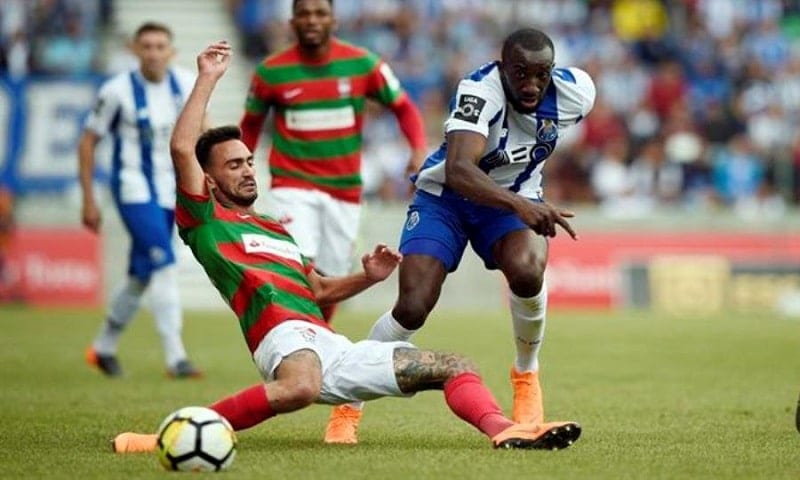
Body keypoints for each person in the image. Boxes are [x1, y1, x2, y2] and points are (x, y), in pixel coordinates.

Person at [111, 42, 581, 454]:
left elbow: (316, 289)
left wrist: (368, 277)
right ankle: (165, 436)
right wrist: (207, 79)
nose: (249, 170)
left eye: (251, 161)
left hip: (329, 346)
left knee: (455, 365)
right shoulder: (205, 222)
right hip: (283, 339)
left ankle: (507, 430)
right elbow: (181, 148)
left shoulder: (274, 229)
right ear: (209, 180)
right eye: (235, 166)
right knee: (300, 387)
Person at [325, 27, 596, 444]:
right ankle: (349, 403)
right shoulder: (478, 91)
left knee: (527, 271)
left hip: (512, 199)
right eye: (521, 73)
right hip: (446, 200)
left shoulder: (577, 94)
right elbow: (460, 170)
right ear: (502, 66)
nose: (531, 85)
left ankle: (526, 374)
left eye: (542, 75)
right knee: (412, 307)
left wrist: (525, 197)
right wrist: (522, 205)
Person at [238, 0, 427, 325]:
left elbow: (404, 107)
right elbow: (251, 124)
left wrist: (418, 150)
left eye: (320, 13)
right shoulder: (271, 71)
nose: (312, 20)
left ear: (333, 20)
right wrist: (241, 167)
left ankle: (318, 339)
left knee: (334, 275)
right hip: (292, 184)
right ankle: (296, 344)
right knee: (298, 267)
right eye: (304, 14)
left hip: (344, 190)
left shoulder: (362, 64)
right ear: (292, 21)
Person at [79, 22, 201, 379]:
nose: (153, 52)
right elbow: (88, 141)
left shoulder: (185, 83)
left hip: (172, 191)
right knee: (163, 263)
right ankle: (176, 357)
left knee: (141, 274)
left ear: (171, 52)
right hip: (133, 189)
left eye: (160, 46)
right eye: (146, 46)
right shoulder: (117, 91)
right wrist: (89, 198)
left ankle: (103, 347)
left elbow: (204, 126)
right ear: (135, 50)